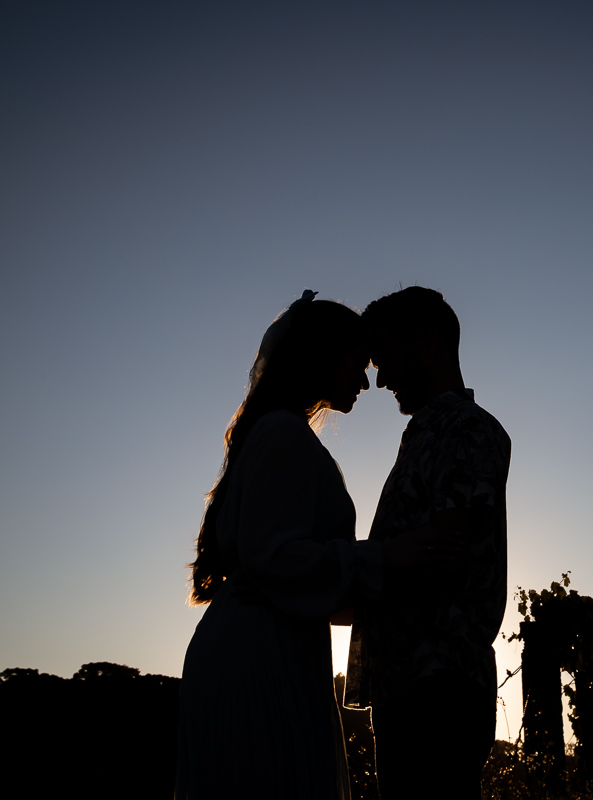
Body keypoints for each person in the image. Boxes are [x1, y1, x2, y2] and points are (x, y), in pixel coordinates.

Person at [175, 290, 459, 800]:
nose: (367, 382)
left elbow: (292, 568)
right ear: (322, 358)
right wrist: (385, 557)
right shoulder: (282, 434)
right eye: (358, 363)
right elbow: (273, 556)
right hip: (259, 655)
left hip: (278, 645)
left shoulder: (283, 435)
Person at [344, 287, 511, 800]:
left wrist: (342, 571)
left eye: (386, 359)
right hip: (410, 688)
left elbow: (444, 551)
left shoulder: (465, 428)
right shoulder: (428, 433)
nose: (381, 380)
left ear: (430, 342)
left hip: (437, 691)